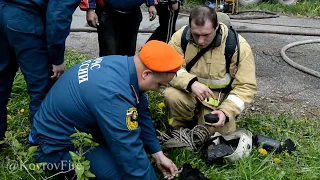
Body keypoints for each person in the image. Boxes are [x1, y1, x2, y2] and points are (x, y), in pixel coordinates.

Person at [30, 40, 184, 179]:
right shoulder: (113, 95)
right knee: (121, 174)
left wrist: (157, 154)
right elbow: (127, 149)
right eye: (159, 85)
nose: (158, 90)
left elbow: (139, 110)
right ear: (146, 74)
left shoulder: (124, 66)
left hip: (78, 129)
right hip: (55, 147)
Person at [163, 6, 257, 135]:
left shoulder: (238, 46)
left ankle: (206, 125)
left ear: (217, 26)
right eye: (196, 34)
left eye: (206, 35)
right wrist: (191, 84)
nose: (200, 41)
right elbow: (168, 68)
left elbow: (246, 86)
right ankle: (180, 131)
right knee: (172, 96)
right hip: (189, 92)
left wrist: (226, 111)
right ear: (190, 26)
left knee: (217, 134)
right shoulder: (180, 37)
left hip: (218, 102)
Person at [0, 0, 80, 141]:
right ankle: (42, 143)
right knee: (41, 87)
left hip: (3, 10)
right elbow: (58, 15)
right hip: (25, 20)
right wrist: (56, 58)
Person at [79, 0, 157, 57]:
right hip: (107, 12)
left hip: (133, 12)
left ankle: (124, 78)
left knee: (128, 54)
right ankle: (109, 78)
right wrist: (89, 9)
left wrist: (151, 4)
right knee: (109, 53)